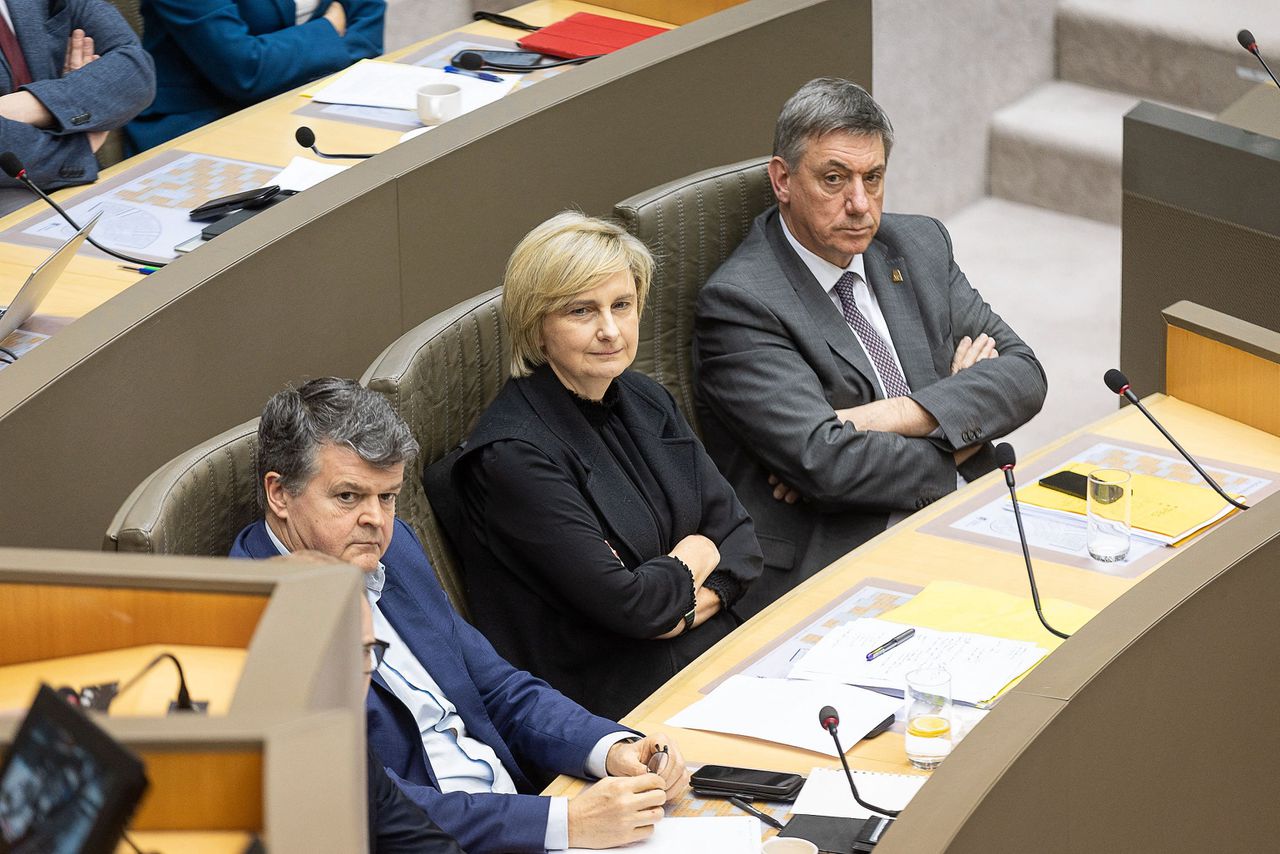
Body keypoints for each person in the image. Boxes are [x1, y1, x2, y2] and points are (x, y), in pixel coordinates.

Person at [231, 378, 690, 854]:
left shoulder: (394, 548)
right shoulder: (254, 625)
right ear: (280, 494)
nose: (376, 520)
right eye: (348, 497)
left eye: (387, 497)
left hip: (521, 814)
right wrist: (564, 822)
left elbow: (497, 688)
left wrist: (611, 749)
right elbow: (371, 808)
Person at [693, 78, 1047, 617]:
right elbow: (827, 465)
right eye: (834, 179)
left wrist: (890, 415)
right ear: (782, 179)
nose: (860, 204)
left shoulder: (919, 245)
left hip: (969, 512)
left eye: (873, 178)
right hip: (841, 554)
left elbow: (1024, 376)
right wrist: (961, 430)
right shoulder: (740, 301)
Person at [432, 212, 763, 721]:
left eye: (622, 306)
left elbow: (740, 538)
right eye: (582, 311)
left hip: (706, 658)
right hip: (616, 708)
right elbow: (635, 608)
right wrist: (697, 553)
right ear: (536, 327)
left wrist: (677, 607)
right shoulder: (513, 458)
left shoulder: (644, 396)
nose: (610, 330)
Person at [126, 0, 384, 152]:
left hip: (315, 98)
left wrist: (285, 59)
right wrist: (329, 29)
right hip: (207, 122)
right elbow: (245, 70)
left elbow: (367, 38)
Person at [0, 2, 156, 215]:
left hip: (77, 184)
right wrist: (80, 147)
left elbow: (136, 71)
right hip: (11, 197)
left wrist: (34, 105)